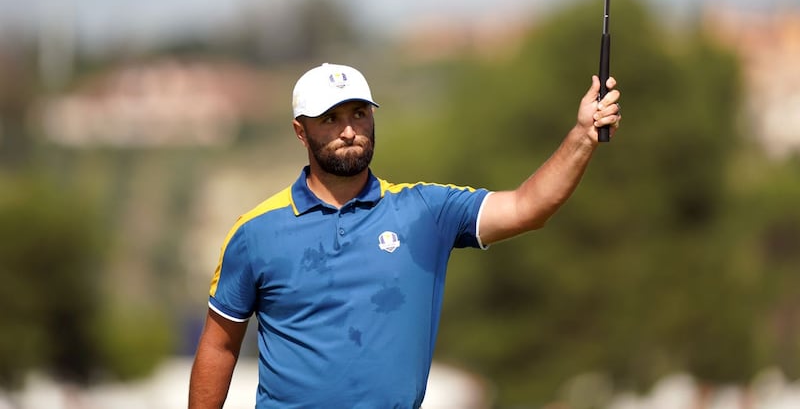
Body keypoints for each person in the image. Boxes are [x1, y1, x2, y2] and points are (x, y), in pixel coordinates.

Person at [189, 62, 621, 408]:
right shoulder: (256, 231)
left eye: (359, 113)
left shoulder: (425, 211)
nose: (348, 130)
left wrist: (583, 136)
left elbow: (528, 207)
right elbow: (219, 347)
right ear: (301, 131)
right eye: (331, 118)